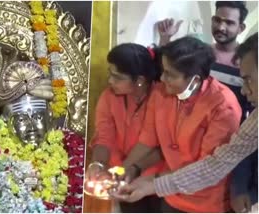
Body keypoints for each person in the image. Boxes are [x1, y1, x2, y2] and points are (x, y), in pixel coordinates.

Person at [111, 32, 258, 213]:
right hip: (172, 195)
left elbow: (210, 169)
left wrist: (152, 184)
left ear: (194, 80)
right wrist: (127, 170)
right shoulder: (160, 93)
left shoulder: (223, 106)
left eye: (248, 80)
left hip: (206, 202)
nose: (243, 91)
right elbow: (148, 141)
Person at [86, 43, 166, 213]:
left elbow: (154, 143)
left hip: (155, 179)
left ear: (139, 81)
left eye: (117, 77)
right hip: (124, 180)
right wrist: (98, 164)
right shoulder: (109, 97)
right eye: (110, 74)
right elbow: (104, 135)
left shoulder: (162, 97)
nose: (110, 81)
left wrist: (125, 169)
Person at [157, 1, 253, 123]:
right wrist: (165, 38)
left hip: (230, 131)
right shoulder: (199, 55)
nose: (221, 27)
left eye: (229, 23)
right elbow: (171, 72)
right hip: (192, 126)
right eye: (217, 20)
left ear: (241, 28)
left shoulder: (247, 63)